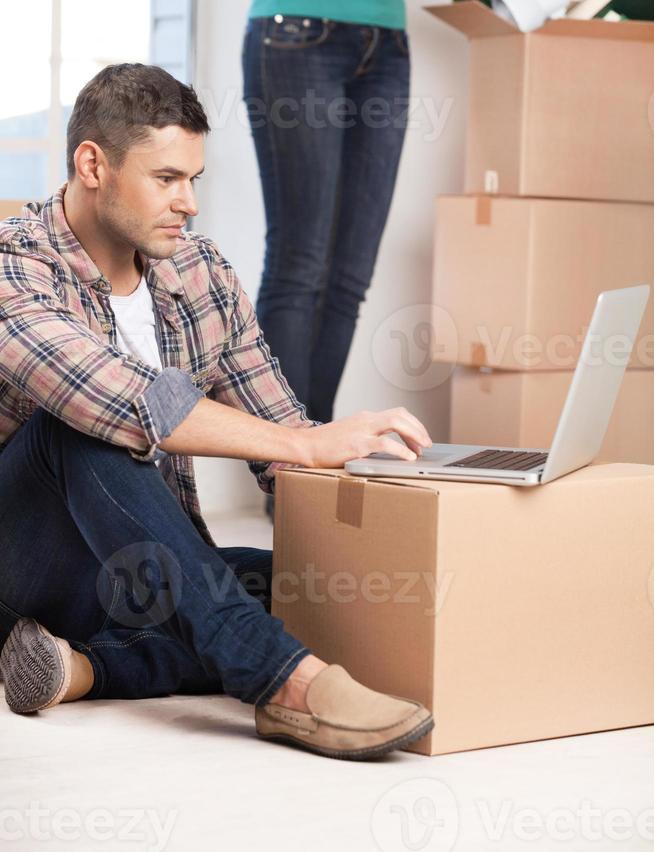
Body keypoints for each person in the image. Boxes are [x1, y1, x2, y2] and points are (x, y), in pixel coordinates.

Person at [0, 64, 435, 760]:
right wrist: (309, 444)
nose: (189, 203)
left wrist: (389, 504)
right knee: (78, 428)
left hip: (140, 567)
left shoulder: (199, 273)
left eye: (194, 180)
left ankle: (84, 668)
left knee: (320, 594)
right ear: (93, 165)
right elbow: (119, 398)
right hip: (24, 561)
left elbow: (285, 441)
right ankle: (284, 685)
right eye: (167, 179)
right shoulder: (16, 266)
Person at [207, 0, 488, 423]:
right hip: (294, 36)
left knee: (351, 271)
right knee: (300, 262)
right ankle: (284, 466)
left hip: (385, 43)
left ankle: (318, 454)